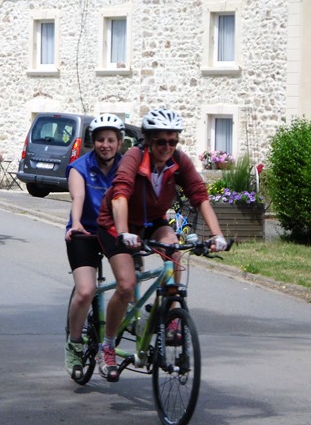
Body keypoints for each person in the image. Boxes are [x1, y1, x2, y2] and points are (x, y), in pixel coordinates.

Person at [96, 108, 228, 382]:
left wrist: (217, 235)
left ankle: (171, 315)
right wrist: (123, 233)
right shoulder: (134, 157)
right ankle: (107, 345)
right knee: (126, 285)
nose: (167, 147)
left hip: (152, 221)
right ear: (147, 141)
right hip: (116, 223)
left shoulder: (178, 161)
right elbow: (120, 194)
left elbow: (199, 196)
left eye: (173, 141)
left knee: (174, 250)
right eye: (161, 142)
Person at [64, 113, 125, 379]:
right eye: (100, 139)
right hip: (85, 232)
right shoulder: (79, 167)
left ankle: (109, 343)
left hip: (113, 232)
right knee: (86, 291)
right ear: (93, 142)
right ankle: (74, 343)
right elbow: (78, 196)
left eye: (111, 140)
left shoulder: (126, 168)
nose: (105, 145)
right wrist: (76, 222)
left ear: (119, 143)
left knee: (128, 286)